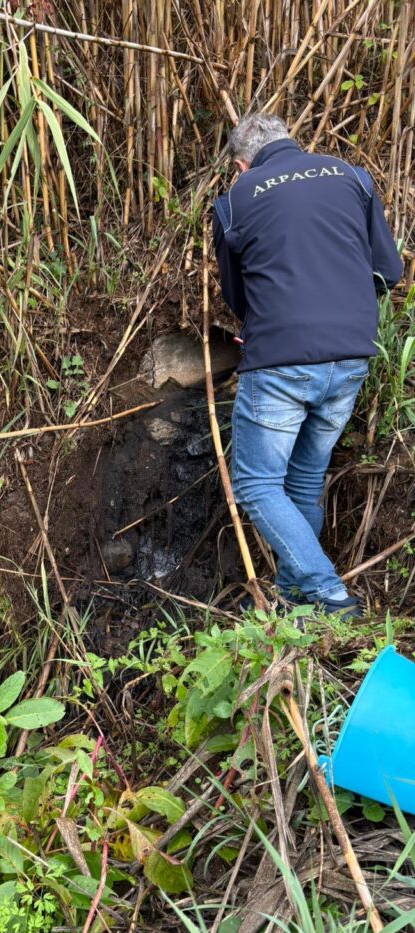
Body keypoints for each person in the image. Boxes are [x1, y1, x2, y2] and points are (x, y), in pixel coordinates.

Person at [212, 113, 402, 616]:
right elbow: (390, 270)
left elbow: (238, 297)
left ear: (240, 164)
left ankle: (328, 592)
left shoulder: (235, 200)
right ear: (292, 141)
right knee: (303, 478)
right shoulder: (351, 175)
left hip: (280, 361)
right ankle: (297, 600)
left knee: (255, 484)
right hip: (351, 357)